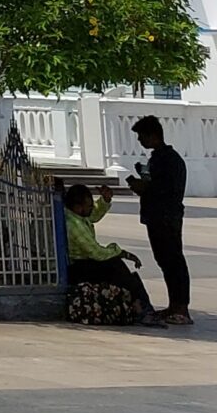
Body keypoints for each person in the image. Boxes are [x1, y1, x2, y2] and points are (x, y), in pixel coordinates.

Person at [127, 114, 192, 325]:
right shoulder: (160, 158)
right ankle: (175, 305)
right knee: (166, 260)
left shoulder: (168, 160)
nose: (140, 141)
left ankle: (181, 307)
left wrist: (143, 187)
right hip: (159, 215)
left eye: (142, 136)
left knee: (173, 260)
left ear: (153, 136)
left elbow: (163, 189)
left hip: (166, 216)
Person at [61, 182, 156, 321]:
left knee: (118, 268)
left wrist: (104, 201)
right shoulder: (73, 225)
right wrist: (120, 252)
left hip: (83, 262)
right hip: (77, 267)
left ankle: (140, 303)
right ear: (78, 207)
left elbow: (92, 216)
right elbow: (97, 253)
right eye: (89, 206)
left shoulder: (76, 216)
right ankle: (140, 305)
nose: (92, 208)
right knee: (114, 265)